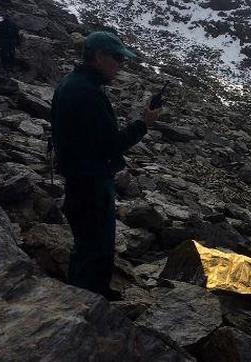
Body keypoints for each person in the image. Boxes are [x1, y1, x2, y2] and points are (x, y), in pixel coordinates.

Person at [50, 31, 161, 300]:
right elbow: (110, 144)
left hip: (79, 178)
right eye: (118, 58)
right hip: (91, 183)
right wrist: (143, 124)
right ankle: (86, 305)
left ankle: (89, 294)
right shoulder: (87, 93)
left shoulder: (73, 84)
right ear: (99, 56)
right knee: (96, 246)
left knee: (88, 245)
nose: (121, 64)